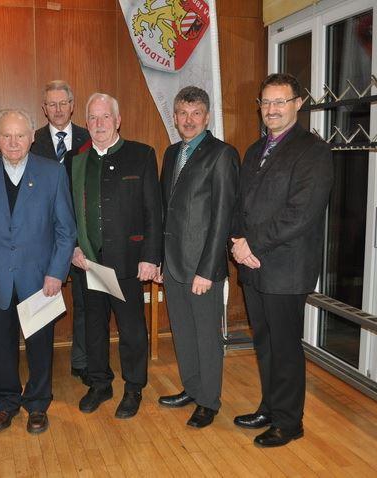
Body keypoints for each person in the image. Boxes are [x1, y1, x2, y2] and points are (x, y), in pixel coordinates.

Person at [0, 109, 76, 435]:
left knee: (40, 346)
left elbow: (66, 231)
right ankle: (5, 402)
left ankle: (37, 403)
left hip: (40, 279)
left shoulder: (52, 173)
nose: (13, 142)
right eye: (6, 135)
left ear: (31, 138)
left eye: (20, 135)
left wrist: (56, 272)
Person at [231, 73, 333, 447]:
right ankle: (270, 408)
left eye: (280, 101)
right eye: (266, 102)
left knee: (285, 348)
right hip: (253, 265)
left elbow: (300, 214)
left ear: (298, 104)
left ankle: (289, 422)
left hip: (286, 268)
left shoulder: (313, 151)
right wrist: (236, 242)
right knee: (264, 344)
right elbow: (240, 205)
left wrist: (251, 245)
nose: (272, 109)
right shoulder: (254, 150)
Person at [69, 93, 162, 419]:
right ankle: (100, 383)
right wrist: (73, 247)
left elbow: (154, 211)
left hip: (127, 262)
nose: (99, 123)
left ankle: (134, 387)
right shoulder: (75, 161)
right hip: (89, 261)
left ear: (118, 120)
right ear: (86, 123)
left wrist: (150, 257)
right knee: (94, 327)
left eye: (105, 116)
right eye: (93, 118)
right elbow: (66, 212)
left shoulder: (141, 155)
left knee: (131, 329)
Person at [156, 86, 239, 429]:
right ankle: (191, 388)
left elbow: (223, 216)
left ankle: (208, 401)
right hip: (173, 265)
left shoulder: (222, 154)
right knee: (183, 333)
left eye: (195, 113)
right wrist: (161, 261)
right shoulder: (171, 153)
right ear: (175, 117)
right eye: (182, 113)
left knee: (206, 337)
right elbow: (166, 212)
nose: (188, 120)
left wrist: (208, 269)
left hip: (203, 268)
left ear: (207, 117)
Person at [30, 80, 91, 383]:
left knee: (85, 303)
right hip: (43, 239)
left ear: (72, 105)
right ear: (44, 109)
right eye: (51, 104)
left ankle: (82, 361)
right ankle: (41, 370)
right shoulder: (31, 141)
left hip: (82, 239)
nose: (57, 109)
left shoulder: (89, 138)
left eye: (62, 103)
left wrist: (81, 241)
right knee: (43, 303)